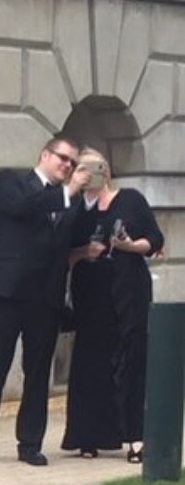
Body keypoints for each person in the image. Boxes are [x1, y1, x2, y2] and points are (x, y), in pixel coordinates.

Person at [0, 133, 91, 466]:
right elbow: (25, 207)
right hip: (5, 292)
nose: (68, 165)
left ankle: (30, 443)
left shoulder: (72, 199)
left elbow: (78, 236)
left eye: (73, 162)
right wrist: (68, 192)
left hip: (45, 297)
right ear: (45, 155)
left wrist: (94, 194)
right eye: (63, 158)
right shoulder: (12, 182)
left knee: (37, 374)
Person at [62, 147, 163, 463]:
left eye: (93, 167)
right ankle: (88, 435)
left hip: (128, 291)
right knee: (90, 360)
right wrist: (84, 252)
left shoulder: (130, 200)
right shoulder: (76, 208)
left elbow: (154, 240)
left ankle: (135, 436)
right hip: (91, 294)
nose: (88, 174)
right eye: (80, 168)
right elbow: (61, 250)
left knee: (131, 358)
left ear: (105, 170)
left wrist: (130, 246)